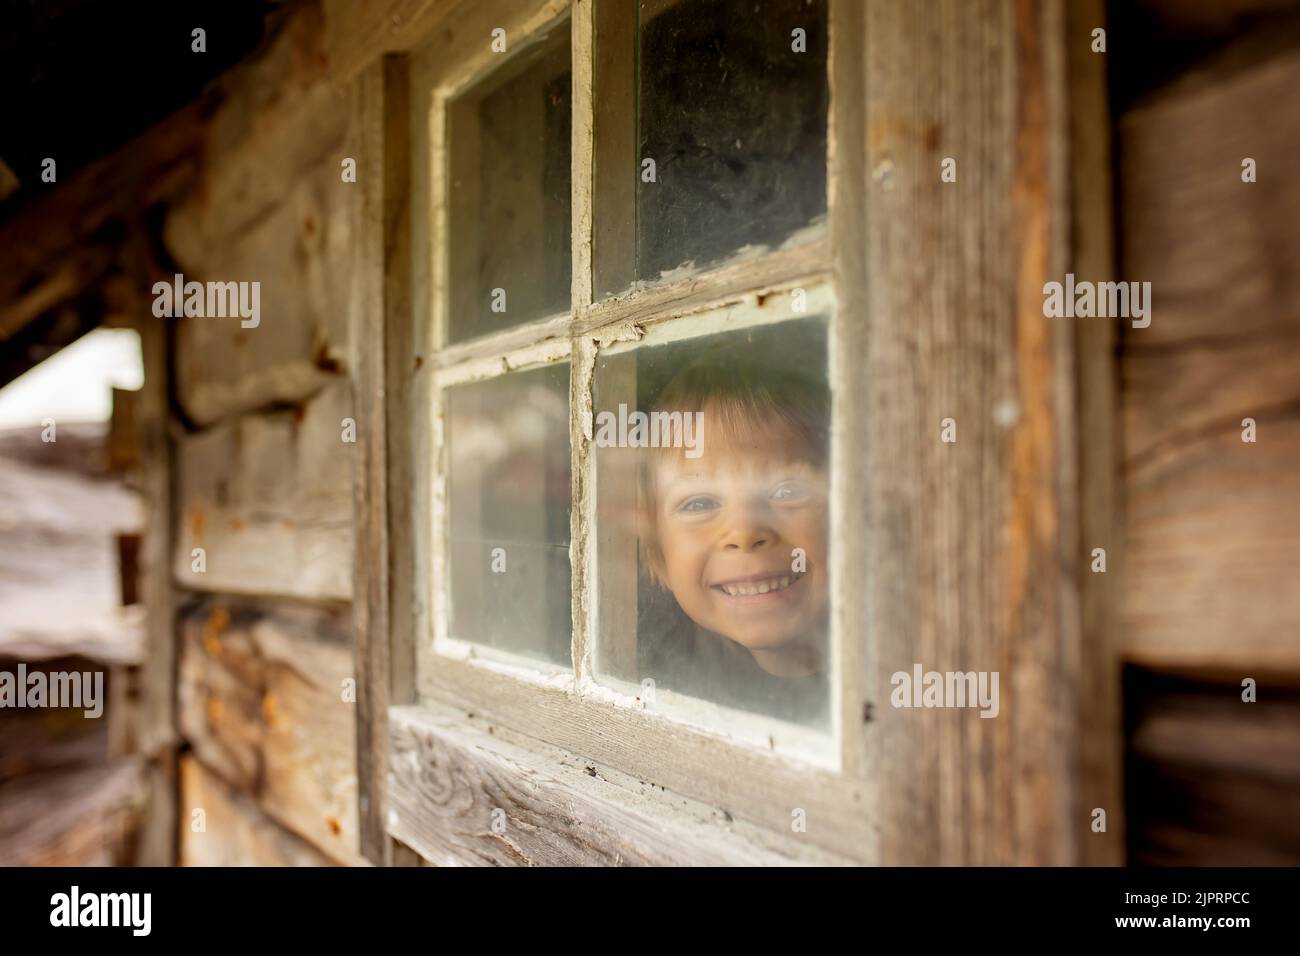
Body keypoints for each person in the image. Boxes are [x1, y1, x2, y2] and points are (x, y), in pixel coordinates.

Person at [633, 344, 831, 724]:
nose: (743, 531)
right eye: (699, 503)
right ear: (658, 557)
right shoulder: (659, 678)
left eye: (788, 491)